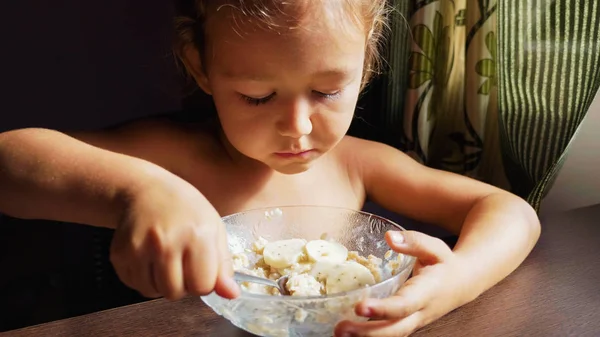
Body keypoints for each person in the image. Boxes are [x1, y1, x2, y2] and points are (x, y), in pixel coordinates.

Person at [0, 1, 540, 336]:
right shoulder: (173, 158)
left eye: (327, 91)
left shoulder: (359, 162)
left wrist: (455, 283)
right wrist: (139, 189)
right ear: (201, 68)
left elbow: (511, 211)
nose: (298, 128)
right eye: (257, 97)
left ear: (367, 65)